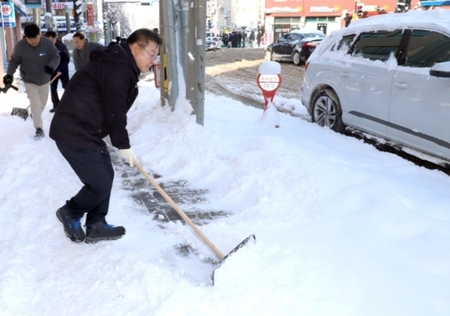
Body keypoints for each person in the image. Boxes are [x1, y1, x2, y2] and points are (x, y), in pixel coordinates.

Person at [49, 28, 161, 243]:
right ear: (136, 47)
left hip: (86, 129)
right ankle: (70, 212)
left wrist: (110, 134)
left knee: (106, 176)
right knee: (99, 183)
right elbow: (115, 111)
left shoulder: (120, 65)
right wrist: (122, 144)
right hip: (73, 131)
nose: (153, 59)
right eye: (152, 53)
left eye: (156, 55)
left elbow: (108, 104)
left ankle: (96, 224)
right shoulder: (117, 69)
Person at [3, 23, 60, 139]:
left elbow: (56, 56)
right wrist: (9, 74)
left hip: (44, 79)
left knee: (42, 102)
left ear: (40, 35)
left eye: (35, 37)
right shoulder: (20, 46)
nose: (33, 41)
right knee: (34, 103)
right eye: (30, 38)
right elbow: (14, 61)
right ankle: (39, 129)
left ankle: (35, 115)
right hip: (29, 79)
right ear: (26, 37)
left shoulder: (47, 43)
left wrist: (51, 66)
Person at [44, 31, 70, 113]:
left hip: (63, 71)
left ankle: (68, 105)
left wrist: (61, 70)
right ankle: (56, 106)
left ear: (55, 38)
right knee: (53, 89)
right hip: (52, 71)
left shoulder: (62, 47)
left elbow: (66, 59)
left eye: (51, 40)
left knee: (67, 88)